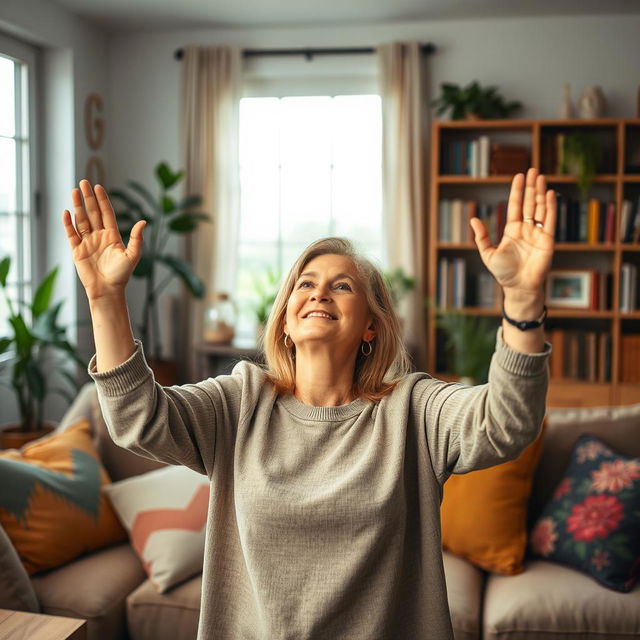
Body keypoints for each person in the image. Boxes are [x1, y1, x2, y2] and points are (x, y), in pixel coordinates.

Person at [63, 167, 554, 640]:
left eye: (342, 285)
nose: (319, 290)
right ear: (285, 322)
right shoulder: (239, 402)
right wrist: (106, 299)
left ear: (371, 326)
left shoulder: (413, 409)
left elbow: (505, 423)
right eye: (305, 283)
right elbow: (138, 423)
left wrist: (524, 303)